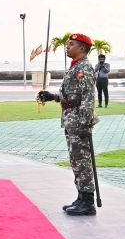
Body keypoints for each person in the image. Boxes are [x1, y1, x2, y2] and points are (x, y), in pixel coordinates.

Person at [37, 33, 98, 216]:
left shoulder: (84, 67)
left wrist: (84, 123)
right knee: (76, 160)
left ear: (82, 48)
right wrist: (53, 96)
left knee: (82, 161)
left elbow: (88, 97)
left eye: (71, 44)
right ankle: (81, 197)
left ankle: (88, 203)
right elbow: (71, 94)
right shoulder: (75, 67)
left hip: (78, 120)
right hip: (70, 117)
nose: (67, 47)